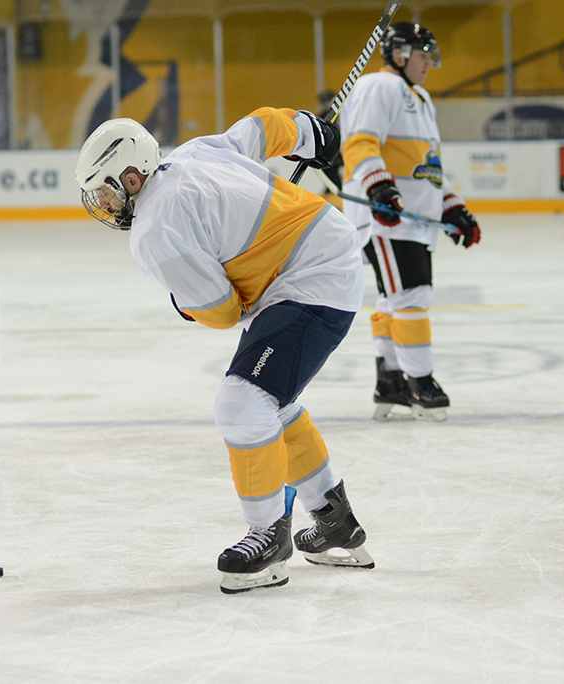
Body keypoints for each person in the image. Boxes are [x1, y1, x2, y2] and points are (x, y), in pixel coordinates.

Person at [75, 108, 375, 595]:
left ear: (131, 177)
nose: (106, 206)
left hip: (313, 279)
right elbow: (261, 128)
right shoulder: (194, 153)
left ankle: (268, 536)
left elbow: (221, 309)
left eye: (107, 192)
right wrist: (309, 132)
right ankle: (335, 523)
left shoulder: (154, 227)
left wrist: (185, 305)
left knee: (242, 403)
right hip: (323, 252)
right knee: (272, 401)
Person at [339, 21, 481, 422]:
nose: (429, 63)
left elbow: (427, 165)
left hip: (415, 217)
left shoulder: (420, 97)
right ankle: (421, 383)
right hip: (388, 217)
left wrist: (451, 207)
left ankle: (391, 382)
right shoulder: (377, 86)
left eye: (431, 56)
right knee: (412, 297)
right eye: (422, 55)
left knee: (395, 300)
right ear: (398, 54)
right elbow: (360, 143)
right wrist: (379, 188)